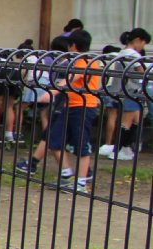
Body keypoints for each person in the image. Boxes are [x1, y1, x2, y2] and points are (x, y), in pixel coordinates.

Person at [16, 29, 101, 192]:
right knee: (54, 140)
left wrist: (51, 93)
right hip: (69, 106)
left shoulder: (86, 61)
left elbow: (70, 80)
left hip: (83, 108)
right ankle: (67, 175)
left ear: (73, 46)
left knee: (81, 146)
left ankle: (81, 183)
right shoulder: (77, 61)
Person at [100, 28, 149, 161]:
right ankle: (119, 149)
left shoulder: (122, 53)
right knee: (127, 122)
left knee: (135, 121)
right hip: (130, 91)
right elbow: (141, 71)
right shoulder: (132, 54)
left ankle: (126, 147)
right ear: (138, 40)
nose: (142, 47)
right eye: (143, 43)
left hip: (123, 91)